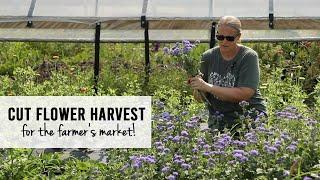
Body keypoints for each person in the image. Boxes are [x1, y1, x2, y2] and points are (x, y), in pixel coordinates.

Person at [189, 16, 266, 131]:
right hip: (219, 122)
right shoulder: (208, 57)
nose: (224, 41)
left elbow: (245, 94)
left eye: (229, 38)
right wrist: (197, 87)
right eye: (220, 37)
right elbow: (201, 99)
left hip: (249, 120)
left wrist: (207, 87)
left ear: (238, 37)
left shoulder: (248, 56)